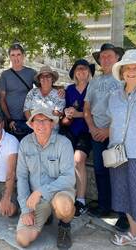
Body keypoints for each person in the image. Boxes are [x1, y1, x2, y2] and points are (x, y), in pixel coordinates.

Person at [84, 43, 129, 231]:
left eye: (109, 56)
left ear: (117, 57)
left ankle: (124, 215)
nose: (106, 59)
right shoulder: (94, 82)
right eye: (102, 56)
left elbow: (127, 111)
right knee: (101, 171)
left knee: (119, 173)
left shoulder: (124, 80)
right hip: (96, 133)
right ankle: (104, 207)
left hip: (117, 135)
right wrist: (93, 128)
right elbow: (87, 109)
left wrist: (108, 131)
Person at [16, 108, 76, 249]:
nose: (40, 125)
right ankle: (47, 215)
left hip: (59, 192)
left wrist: (40, 191)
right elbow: (22, 177)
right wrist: (25, 209)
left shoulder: (64, 143)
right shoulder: (25, 143)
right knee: (23, 239)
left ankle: (64, 226)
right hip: (39, 200)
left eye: (45, 120)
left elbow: (68, 178)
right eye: (37, 120)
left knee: (64, 206)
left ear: (52, 123)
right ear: (31, 124)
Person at [107, 49, 136, 250]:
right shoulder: (114, 96)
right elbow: (112, 123)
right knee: (124, 195)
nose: (131, 71)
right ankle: (133, 233)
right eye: (128, 68)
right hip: (117, 155)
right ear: (122, 71)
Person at [60, 59, 95, 217]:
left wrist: (78, 114)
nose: (81, 71)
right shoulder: (68, 90)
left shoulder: (94, 89)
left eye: (84, 69)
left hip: (87, 131)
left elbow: (97, 112)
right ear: (74, 73)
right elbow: (63, 110)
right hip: (70, 130)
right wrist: (67, 112)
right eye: (78, 69)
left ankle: (80, 200)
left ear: (89, 72)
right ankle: (66, 195)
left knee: (79, 159)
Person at [0, 43, 36, 141]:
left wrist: (59, 89)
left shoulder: (31, 73)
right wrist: (9, 119)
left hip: (29, 120)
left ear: (23, 56)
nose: (16, 58)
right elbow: (2, 99)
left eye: (18, 54)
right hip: (12, 121)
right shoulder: (5, 75)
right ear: (9, 57)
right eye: (13, 55)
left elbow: (44, 88)